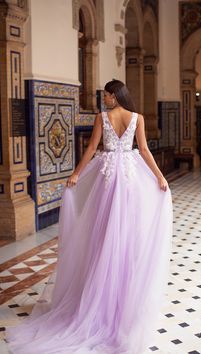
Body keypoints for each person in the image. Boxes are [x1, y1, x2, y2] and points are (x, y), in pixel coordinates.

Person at [6, 80, 173, 354]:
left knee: (104, 233)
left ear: (114, 95)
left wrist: (76, 174)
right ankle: (120, 301)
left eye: (106, 95)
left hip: (107, 178)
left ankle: (103, 299)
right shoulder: (138, 118)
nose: (104, 99)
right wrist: (159, 176)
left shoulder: (103, 118)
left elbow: (92, 149)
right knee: (125, 235)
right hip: (130, 178)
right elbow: (143, 151)